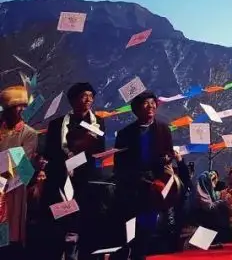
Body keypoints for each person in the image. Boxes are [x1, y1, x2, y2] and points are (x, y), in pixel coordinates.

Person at [41, 82, 105, 259]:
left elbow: (99, 151)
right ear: (73, 99)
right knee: (62, 222)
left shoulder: (98, 122)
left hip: (87, 179)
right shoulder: (57, 124)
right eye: (84, 96)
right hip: (61, 179)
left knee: (86, 220)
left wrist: (80, 158)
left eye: (91, 96)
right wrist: (67, 161)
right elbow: (51, 152)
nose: (88, 100)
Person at [113, 91, 176, 260]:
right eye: (146, 104)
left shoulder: (163, 129)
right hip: (131, 187)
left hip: (155, 187)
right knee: (127, 228)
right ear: (136, 109)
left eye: (153, 103)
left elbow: (168, 153)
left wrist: (166, 162)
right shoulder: (125, 134)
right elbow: (120, 164)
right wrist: (137, 180)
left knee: (147, 227)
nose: (151, 107)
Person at [0, 84, 38, 257]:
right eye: (17, 106)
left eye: (23, 105)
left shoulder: (28, 133)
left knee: (8, 238)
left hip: (13, 189)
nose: (21, 109)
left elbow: (24, 167)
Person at [192, 170, 230, 243]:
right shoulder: (199, 194)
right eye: (210, 181)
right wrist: (221, 202)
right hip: (199, 227)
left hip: (207, 227)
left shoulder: (209, 193)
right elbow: (208, 207)